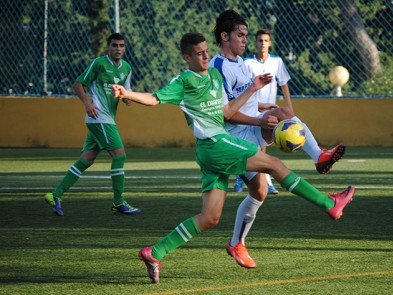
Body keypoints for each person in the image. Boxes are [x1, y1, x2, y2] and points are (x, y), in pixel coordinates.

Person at [111, 32, 355, 284]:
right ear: (187, 57)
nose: (206, 56)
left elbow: (226, 110)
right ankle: (329, 204)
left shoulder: (214, 76)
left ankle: (156, 252)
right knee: (274, 164)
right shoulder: (183, 81)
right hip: (215, 144)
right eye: (199, 53)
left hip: (211, 151)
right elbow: (154, 99)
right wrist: (127, 93)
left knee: (209, 218)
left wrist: (253, 89)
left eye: (207, 50)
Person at [209, 10, 346, 269]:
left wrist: (260, 106)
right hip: (234, 136)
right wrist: (259, 116)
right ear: (225, 36)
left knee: (284, 116)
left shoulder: (240, 63)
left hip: (248, 129)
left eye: (246, 36)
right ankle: (321, 168)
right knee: (256, 191)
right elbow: (225, 113)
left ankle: (320, 157)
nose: (245, 41)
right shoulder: (218, 67)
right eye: (240, 35)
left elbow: (242, 101)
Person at [44, 32, 141, 216]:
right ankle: (118, 202)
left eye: (121, 45)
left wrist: (127, 99)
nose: (118, 49)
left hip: (106, 119)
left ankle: (55, 194)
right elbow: (78, 83)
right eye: (114, 45)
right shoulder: (99, 63)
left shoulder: (126, 68)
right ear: (108, 47)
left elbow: (126, 91)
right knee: (119, 155)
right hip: (99, 117)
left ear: (125, 48)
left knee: (87, 159)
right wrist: (87, 104)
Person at [234, 28, 294, 194]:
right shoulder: (247, 64)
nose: (262, 44)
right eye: (260, 40)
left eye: (265, 41)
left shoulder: (277, 62)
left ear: (270, 43)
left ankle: (247, 175)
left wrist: (289, 107)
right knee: (258, 149)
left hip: (269, 111)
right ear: (256, 43)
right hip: (252, 112)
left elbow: (284, 85)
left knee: (262, 148)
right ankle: (264, 183)